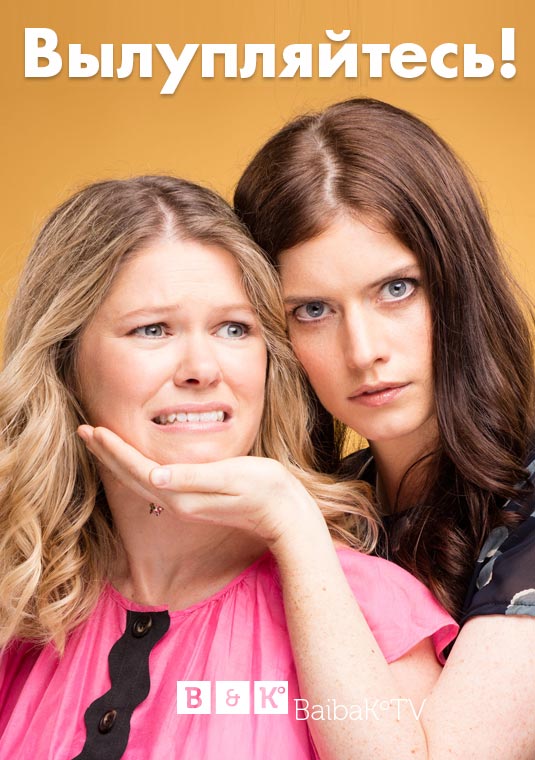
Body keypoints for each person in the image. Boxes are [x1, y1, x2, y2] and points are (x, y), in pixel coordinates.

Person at [0, 175, 456, 760]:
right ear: (65, 361)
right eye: (153, 329)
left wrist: (289, 517)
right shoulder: (27, 605)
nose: (202, 368)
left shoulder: (366, 604)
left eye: (234, 329)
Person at [234, 97, 535, 757]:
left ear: (458, 283)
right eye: (313, 310)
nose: (363, 350)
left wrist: (293, 528)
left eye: (396, 289)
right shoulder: (328, 505)